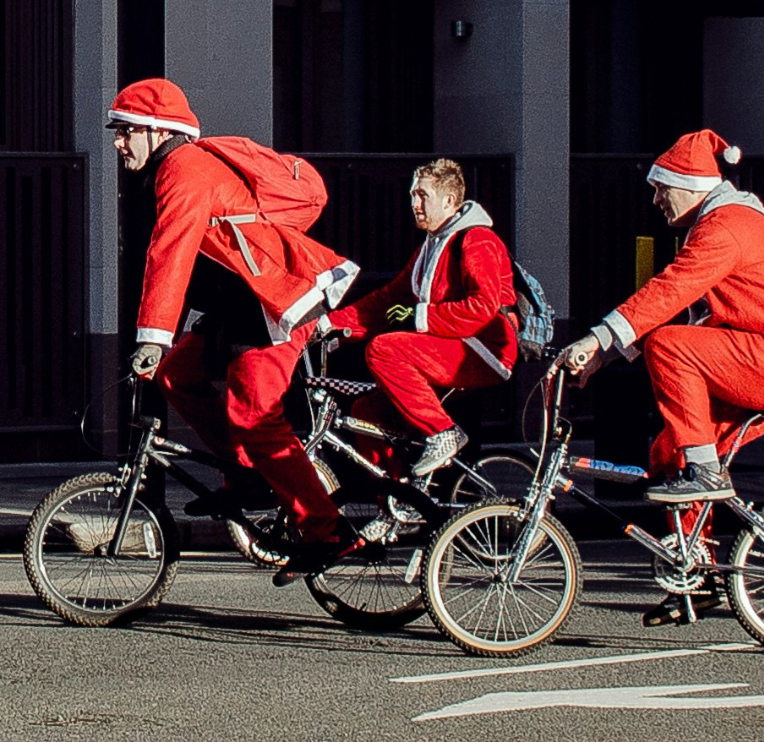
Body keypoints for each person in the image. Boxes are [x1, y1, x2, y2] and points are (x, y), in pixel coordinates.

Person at [109, 78, 363, 580]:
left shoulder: (184, 169)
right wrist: (163, 348)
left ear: (158, 131)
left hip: (272, 303)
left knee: (255, 418)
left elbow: (171, 254)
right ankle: (245, 478)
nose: (118, 142)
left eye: (126, 130)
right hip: (236, 307)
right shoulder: (169, 170)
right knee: (177, 374)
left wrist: (151, 337)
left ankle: (327, 530)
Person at [555, 130, 764, 506]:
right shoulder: (719, 225)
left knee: (669, 345)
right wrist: (603, 357)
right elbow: (678, 306)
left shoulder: (726, 227)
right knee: (673, 452)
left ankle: (705, 473)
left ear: (689, 186)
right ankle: (695, 558)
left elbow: (669, 292)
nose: (656, 200)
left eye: (661, 188)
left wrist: (595, 339)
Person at [325, 159, 517, 478]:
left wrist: (420, 315)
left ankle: (443, 433)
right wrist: (329, 325)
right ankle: (398, 502)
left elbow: (483, 306)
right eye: (413, 194)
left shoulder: (476, 240)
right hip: (450, 346)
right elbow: (389, 298)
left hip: (485, 348)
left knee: (384, 348)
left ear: (449, 201)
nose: (414, 204)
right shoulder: (432, 244)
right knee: (366, 413)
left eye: (422, 196)